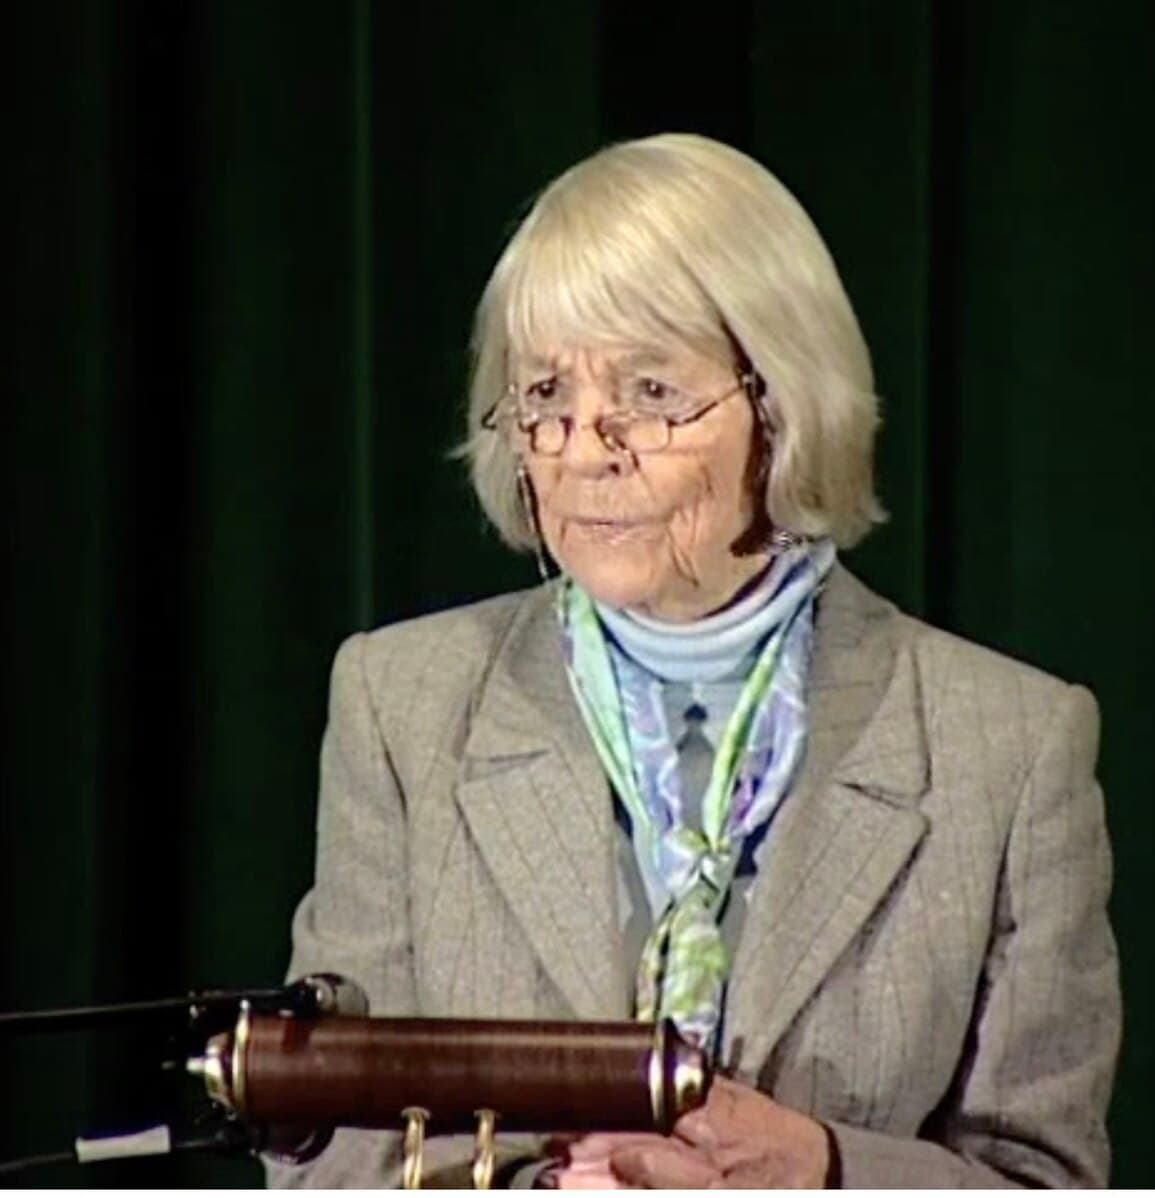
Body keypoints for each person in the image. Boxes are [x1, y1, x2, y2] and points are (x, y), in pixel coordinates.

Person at [266, 133, 1119, 1188]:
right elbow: (325, 1156)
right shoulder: (403, 705)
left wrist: (819, 1169)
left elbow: (1050, 1180)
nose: (583, 448)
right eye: (545, 396)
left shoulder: (1012, 746)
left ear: (783, 404)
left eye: (652, 393)